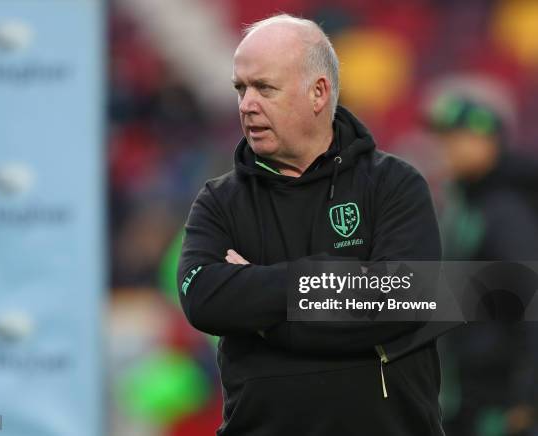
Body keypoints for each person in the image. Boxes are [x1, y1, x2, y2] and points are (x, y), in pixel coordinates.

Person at [178, 14, 447, 436]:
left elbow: (405, 296)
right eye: (241, 88)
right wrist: (337, 286)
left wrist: (263, 306)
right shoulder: (220, 200)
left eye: (264, 88)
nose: (247, 104)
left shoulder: (394, 183)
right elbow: (203, 298)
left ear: (318, 92)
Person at [425, 77, 538, 436]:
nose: (447, 148)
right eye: (443, 138)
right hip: (468, 393)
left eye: (457, 138)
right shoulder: (465, 204)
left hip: (498, 401)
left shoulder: (503, 211)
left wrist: (527, 397)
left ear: (487, 140)